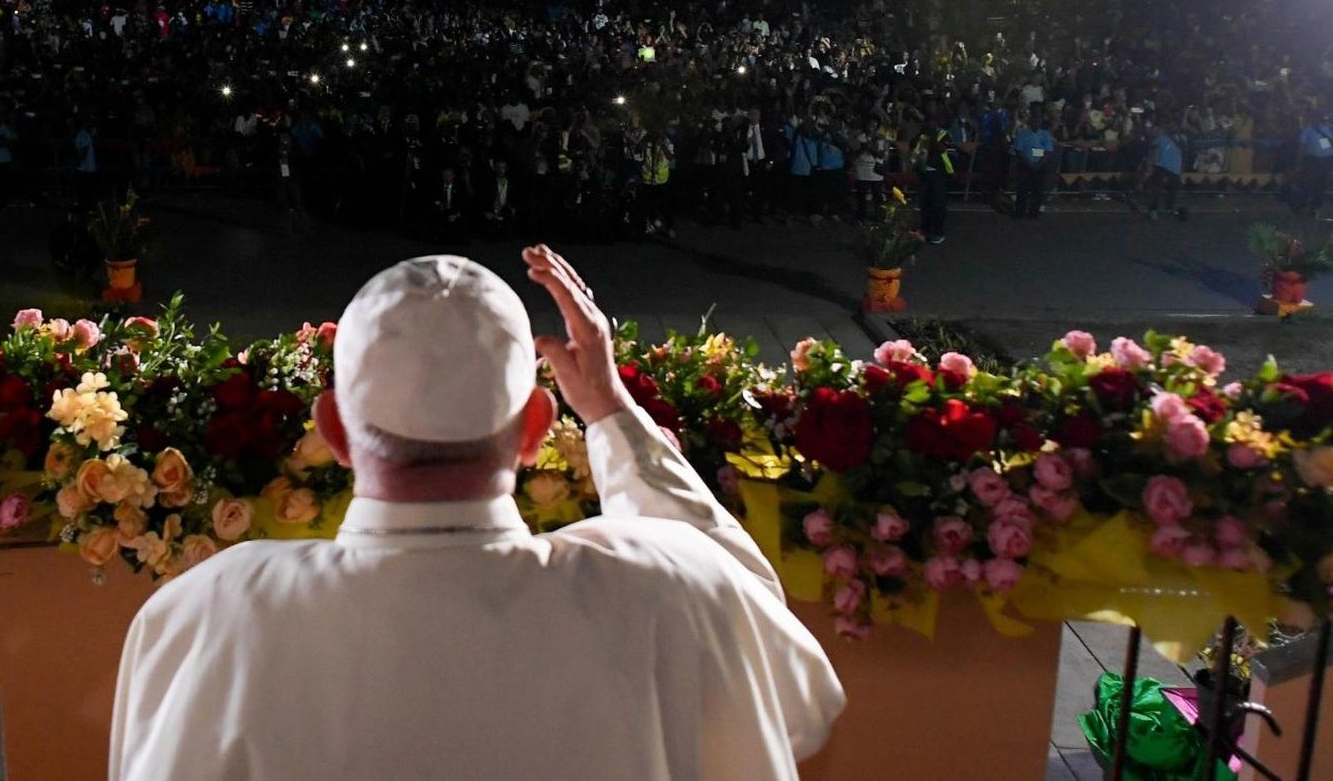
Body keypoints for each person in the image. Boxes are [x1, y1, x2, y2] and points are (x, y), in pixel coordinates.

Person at [110, 246, 845, 780]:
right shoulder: (669, 587)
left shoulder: (212, 616)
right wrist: (612, 413)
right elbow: (797, 694)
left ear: (333, 431)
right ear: (533, 431)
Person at [1011, 105, 1055, 219]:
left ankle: (1033, 212)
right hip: (1025, 165)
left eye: (1038, 120)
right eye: (1034, 119)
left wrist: (1039, 163)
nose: (1036, 122)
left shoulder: (1045, 134)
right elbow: (1019, 150)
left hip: (1040, 166)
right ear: (1030, 121)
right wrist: (1029, 163)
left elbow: (1048, 151)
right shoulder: (1022, 133)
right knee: (1022, 190)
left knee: (1038, 191)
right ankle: (1020, 212)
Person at [913, 124, 955, 244]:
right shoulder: (923, 134)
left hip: (939, 173)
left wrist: (931, 136)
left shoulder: (944, 134)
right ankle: (925, 228)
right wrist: (922, 136)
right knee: (924, 202)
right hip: (924, 172)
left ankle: (938, 231)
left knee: (938, 204)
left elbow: (942, 148)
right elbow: (914, 146)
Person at [1142, 120, 1185, 219]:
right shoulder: (1179, 140)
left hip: (1161, 167)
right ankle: (1170, 209)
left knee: (1156, 190)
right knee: (1172, 191)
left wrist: (1149, 166)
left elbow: (1154, 153)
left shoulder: (1159, 139)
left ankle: (1153, 211)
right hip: (1175, 169)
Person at [1294, 108, 1333, 216]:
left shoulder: (1331, 128)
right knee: (1307, 183)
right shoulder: (1309, 129)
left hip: (1326, 160)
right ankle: (1301, 206)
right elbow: (1302, 146)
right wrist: (1299, 160)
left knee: (1321, 184)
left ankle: (1315, 207)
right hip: (1312, 160)